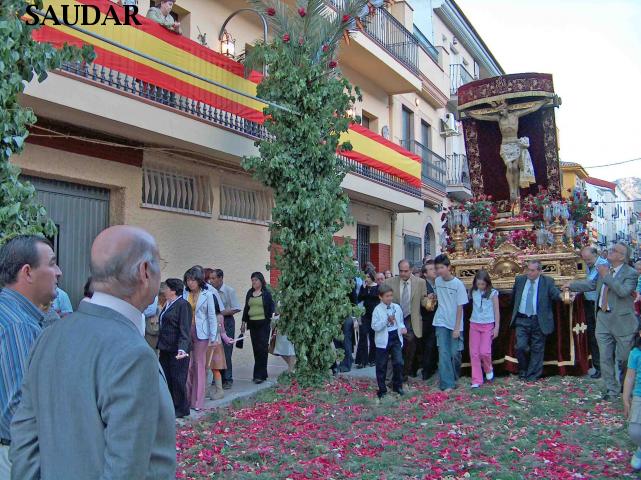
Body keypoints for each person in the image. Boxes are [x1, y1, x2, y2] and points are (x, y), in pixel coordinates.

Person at [10, 226, 175, 479]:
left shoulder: (50, 335)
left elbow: (24, 443)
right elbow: (126, 470)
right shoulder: (133, 353)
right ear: (144, 272)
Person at [0, 235, 60, 478]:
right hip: (16, 458)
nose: (58, 271)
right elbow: (18, 409)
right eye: (52, 263)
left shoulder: (13, 315)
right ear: (28, 272)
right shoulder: (18, 326)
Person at [568, 242, 639, 400]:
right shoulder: (604, 269)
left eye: (615, 250)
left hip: (622, 322)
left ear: (622, 257)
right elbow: (591, 285)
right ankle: (611, 390)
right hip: (603, 318)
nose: (610, 251)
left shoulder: (631, 273)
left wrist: (606, 275)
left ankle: (625, 387)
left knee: (624, 358)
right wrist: (570, 285)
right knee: (605, 357)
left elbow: (623, 291)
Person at [511, 260, 561, 382]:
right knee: (521, 346)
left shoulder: (547, 282)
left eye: (532, 270)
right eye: (528, 269)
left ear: (539, 271)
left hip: (538, 320)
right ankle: (523, 370)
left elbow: (555, 294)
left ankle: (532, 375)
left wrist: (565, 296)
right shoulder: (520, 280)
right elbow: (514, 297)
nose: (529, 272)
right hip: (522, 319)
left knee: (537, 348)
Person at [385, 259, 429, 379]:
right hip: (395, 319)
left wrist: (429, 302)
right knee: (393, 348)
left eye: (406, 271)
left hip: (411, 318)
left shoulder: (420, 282)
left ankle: (404, 374)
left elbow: (423, 299)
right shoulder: (389, 282)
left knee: (410, 348)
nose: (403, 274)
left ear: (411, 270)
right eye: (401, 271)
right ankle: (391, 377)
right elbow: (384, 300)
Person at [183, 266, 218, 411]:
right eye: (188, 280)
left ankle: (198, 402)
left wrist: (214, 336)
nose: (190, 283)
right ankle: (187, 399)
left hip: (201, 333)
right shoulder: (185, 294)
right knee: (188, 366)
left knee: (199, 365)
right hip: (187, 331)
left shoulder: (207, 294)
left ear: (199, 280)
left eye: (193, 280)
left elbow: (212, 316)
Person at [433, 254, 468, 391]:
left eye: (441, 267)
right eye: (437, 268)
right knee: (443, 353)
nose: (439, 270)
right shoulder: (437, 282)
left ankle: (454, 376)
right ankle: (447, 383)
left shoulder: (458, 285)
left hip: (454, 323)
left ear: (449, 267)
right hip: (441, 321)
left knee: (455, 353)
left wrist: (457, 327)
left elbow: (460, 307)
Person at [157, 278, 192, 419]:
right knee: (167, 378)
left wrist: (182, 348)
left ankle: (182, 408)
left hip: (177, 349)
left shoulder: (183, 305)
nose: (164, 290)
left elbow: (185, 328)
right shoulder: (168, 304)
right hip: (165, 347)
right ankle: (171, 405)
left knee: (178, 379)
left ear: (173, 290)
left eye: (166, 288)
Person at [578, 246, 609, 379]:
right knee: (592, 336)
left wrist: (572, 285)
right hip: (588, 304)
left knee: (599, 337)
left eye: (589, 259)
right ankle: (598, 367)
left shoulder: (603, 266)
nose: (587, 262)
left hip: (598, 305)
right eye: (585, 260)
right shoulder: (587, 266)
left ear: (596, 255)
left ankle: (603, 367)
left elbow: (590, 284)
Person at [371, 284, 406, 398]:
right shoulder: (377, 310)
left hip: (395, 336)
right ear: (381, 297)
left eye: (391, 295)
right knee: (381, 365)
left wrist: (402, 327)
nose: (390, 298)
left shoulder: (396, 307)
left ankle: (398, 386)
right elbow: (375, 326)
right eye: (387, 296)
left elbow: (400, 321)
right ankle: (382, 389)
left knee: (399, 362)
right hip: (383, 339)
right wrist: (386, 320)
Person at [241, 272, 275, 384]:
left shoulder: (266, 294)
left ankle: (258, 375)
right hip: (253, 324)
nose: (254, 282)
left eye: (255, 280)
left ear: (261, 281)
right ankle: (262, 374)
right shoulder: (250, 293)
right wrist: (243, 323)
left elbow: (271, 308)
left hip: (264, 324)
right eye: (252, 280)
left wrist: (272, 321)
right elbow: (246, 308)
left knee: (262, 349)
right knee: (256, 349)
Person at [209, 269, 241, 390]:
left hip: (226, 321)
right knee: (216, 350)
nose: (211, 281)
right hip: (214, 322)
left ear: (221, 278)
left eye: (213, 278)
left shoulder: (229, 290)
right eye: (210, 278)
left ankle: (228, 379)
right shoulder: (210, 291)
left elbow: (237, 308)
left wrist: (221, 312)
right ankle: (217, 378)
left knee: (227, 351)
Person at [469, 270, 500, 388]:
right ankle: (476, 379)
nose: (480, 286)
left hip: (488, 324)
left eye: (482, 284)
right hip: (474, 324)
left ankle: (488, 368)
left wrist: (496, 327)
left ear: (487, 283)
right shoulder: (473, 291)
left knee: (484, 351)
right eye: (478, 284)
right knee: (474, 353)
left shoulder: (493, 293)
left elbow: (496, 311)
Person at [202, 268, 228, 401]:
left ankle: (219, 390)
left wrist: (225, 337)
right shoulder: (217, 316)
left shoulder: (218, 318)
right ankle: (206, 390)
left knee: (214, 369)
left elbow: (221, 331)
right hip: (210, 342)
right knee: (208, 368)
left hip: (214, 344)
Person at [623, 329, 641, 471]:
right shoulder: (636, 353)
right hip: (639, 396)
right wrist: (625, 398)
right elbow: (629, 377)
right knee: (635, 431)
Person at [355, 269, 379, 368]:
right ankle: (362, 360)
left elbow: (376, 297)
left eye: (368, 277)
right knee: (363, 335)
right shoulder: (363, 287)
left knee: (373, 337)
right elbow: (359, 298)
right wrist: (364, 289)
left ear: (372, 277)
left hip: (374, 315)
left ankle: (372, 359)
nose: (366, 279)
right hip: (365, 315)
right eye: (365, 277)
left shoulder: (377, 287)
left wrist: (367, 292)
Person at [420, 261, 438, 380]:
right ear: (425, 274)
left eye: (434, 268)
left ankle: (433, 367)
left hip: (438, 319)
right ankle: (426, 371)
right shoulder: (423, 285)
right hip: (428, 320)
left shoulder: (438, 283)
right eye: (431, 269)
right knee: (428, 346)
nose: (434, 271)